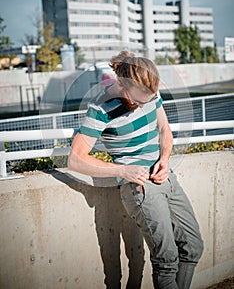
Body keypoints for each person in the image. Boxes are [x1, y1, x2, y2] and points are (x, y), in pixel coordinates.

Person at [68, 50, 204, 289]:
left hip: (166, 177)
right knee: (167, 260)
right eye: (138, 101)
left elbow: (164, 130)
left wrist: (165, 157)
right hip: (140, 189)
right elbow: (76, 160)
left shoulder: (150, 93)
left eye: (148, 100)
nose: (143, 105)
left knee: (193, 246)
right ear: (121, 83)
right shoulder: (100, 108)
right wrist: (123, 171)